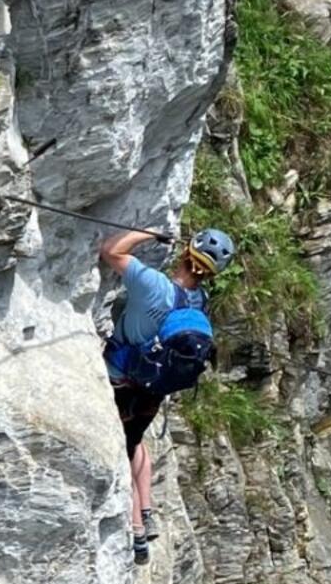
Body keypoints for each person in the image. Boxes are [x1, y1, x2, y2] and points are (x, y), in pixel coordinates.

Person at [99, 227, 234, 563]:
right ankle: (146, 509)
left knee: (122, 447)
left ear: (186, 254)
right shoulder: (198, 301)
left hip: (121, 379)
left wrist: (147, 234)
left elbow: (111, 251)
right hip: (153, 388)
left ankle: (137, 533)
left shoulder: (155, 286)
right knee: (136, 441)